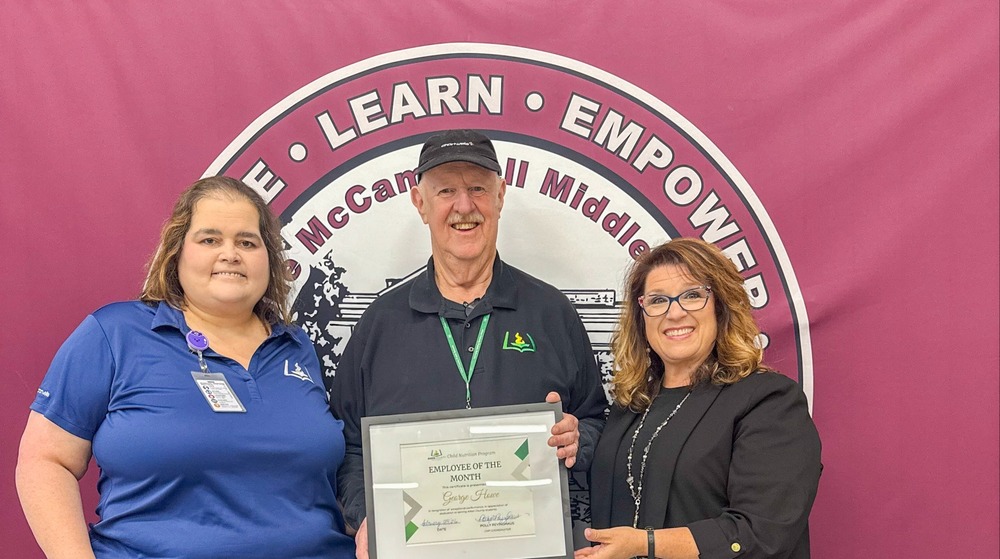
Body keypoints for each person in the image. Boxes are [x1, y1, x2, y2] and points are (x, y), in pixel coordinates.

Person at [16, 176, 356, 558]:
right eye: (210, 239)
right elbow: (46, 460)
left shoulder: (298, 347)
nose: (231, 254)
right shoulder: (114, 335)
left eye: (247, 242)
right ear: (176, 252)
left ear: (270, 258)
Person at [330, 129, 608, 558]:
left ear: (500, 195)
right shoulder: (380, 324)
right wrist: (368, 516)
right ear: (420, 204)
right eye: (446, 191)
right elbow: (348, 445)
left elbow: (596, 419)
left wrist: (580, 439)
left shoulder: (552, 313)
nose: (464, 206)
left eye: (478, 188)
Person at [579, 238, 821, 559]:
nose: (674, 313)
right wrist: (574, 436)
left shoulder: (769, 402)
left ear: (721, 307)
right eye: (657, 300)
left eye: (693, 296)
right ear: (642, 318)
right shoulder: (631, 405)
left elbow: (760, 533)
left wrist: (646, 544)